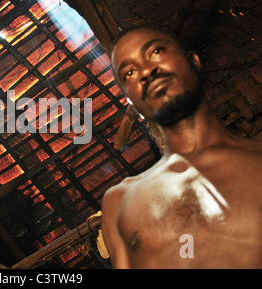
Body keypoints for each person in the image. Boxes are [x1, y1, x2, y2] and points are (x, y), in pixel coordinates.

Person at [101, 25, 262, 268]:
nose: (145, 71)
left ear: (194, 62)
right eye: (130, 73)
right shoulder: (119, 202)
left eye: (156, 51)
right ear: (132, 99)